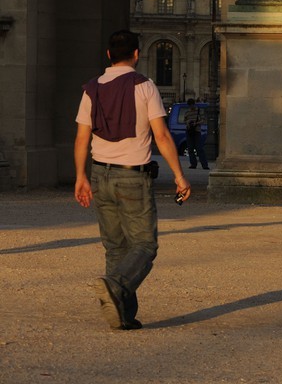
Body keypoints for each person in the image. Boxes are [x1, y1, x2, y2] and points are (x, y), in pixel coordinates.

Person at [74, 28, 192, 331]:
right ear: (137, 54)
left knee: (115, 247)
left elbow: (81, 138)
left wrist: (80, 177)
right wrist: (179, 175)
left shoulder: (91, 88)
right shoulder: (144, 86)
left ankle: (122, 315)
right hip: (132, 177)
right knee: (144, 245)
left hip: (100, 173)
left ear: (109, 55)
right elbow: (162, 135)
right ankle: (115, 285)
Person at [182, 96, 208, 171]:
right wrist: (187, 123)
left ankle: (204, 165)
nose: (191, 106)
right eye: (190, 105)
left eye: (192, 105)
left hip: (196, 131)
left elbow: (203, 120)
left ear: (194, 104)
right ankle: (193, 164)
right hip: (189, 131)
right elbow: (184, 121)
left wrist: (196, 123)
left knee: (199, 148)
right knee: (190, 149)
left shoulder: (199, 111)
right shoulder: (187, 113)